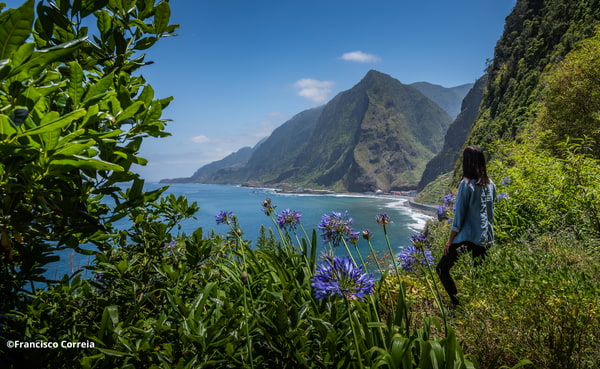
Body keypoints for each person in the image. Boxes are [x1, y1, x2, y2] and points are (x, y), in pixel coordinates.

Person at [436, 145, 496, 306]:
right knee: (478, 276)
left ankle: (457, 303)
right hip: (486, 236)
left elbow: (459, 216)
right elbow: (491, 213)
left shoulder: (466, 184)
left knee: (442, 269)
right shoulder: (491, 184)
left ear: (466, 162)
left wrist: (449, 241)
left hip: (467, 237)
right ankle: (476, 307)